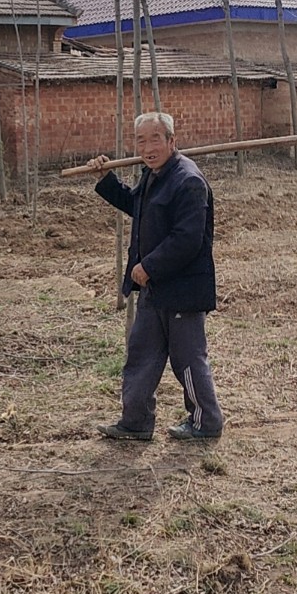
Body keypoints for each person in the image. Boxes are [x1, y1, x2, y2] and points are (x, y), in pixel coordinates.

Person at [87, 111, 223, 444]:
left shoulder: (188, 180)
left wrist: (148, 267)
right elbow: (139, 206)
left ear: (171, 141)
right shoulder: (154, 175)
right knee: (141, 355)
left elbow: (187, 239)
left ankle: (207, 422)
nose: (147, 147)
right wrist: (106, 179)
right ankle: (135, 422)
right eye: (141, 140)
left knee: (187, 359)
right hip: (154, 289)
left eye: (155, 139)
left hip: (182, 288)